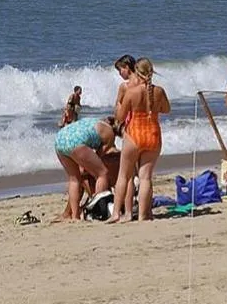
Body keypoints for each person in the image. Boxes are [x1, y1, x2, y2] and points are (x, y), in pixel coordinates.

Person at [113, 58, 171, 223]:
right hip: (153, 134)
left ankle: (116, 213)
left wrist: (119, 105)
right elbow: (166, 109)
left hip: (134, 134)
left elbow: (120, 117)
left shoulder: (132, 92)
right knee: (145, 178)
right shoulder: (159, 91)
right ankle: (143, 215)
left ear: (137, 72)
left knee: (124, 176)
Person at [53, 116, 118, 221]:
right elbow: (100, 158)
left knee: (74, 179)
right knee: (102, 173)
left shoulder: (95, 122)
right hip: (76, 142)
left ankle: (75, 216)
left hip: (60, 139)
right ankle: (99, 208)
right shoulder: (110, 134)